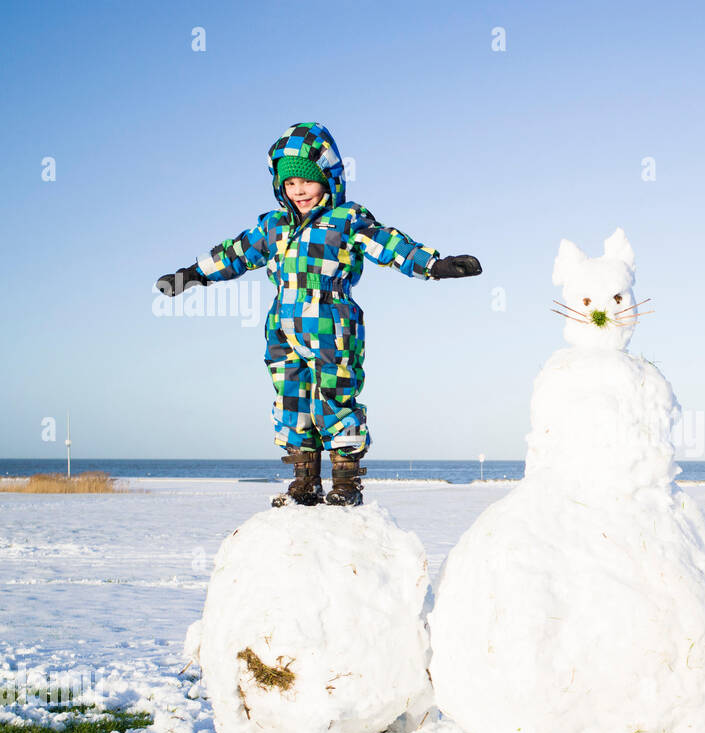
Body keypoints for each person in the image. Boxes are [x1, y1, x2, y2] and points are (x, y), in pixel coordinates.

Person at [156, 121, 482, 506]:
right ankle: (304, 481)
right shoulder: (272, 226)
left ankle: (345, 482)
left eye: (307, 182)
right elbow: (237, 253)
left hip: (332, 322)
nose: (299, 192)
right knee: (290, 400)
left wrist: (435, 265)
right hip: (282, 325)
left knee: (335, 396)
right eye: (290, 184)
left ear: (328, 177)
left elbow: (388, 245)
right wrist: (193, 275)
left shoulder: (346, 219)